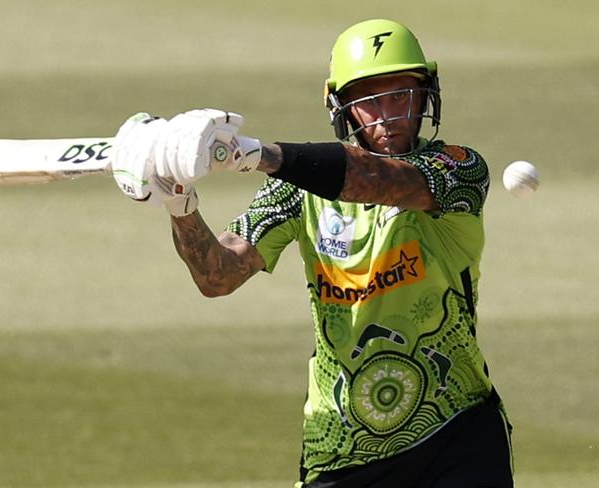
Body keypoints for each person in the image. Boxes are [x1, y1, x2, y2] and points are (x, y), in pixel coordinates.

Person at [110, 18, 514, 488]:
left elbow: (374, 180)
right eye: (369, 101)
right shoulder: (297, 193)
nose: (387, 115)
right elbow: (216, 276)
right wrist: (179, 202)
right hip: (341, 447)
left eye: (401, 95)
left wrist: (256, 154)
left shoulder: (457, 172)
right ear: (342, 108)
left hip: (456, 431)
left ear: (425, 96)